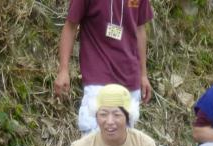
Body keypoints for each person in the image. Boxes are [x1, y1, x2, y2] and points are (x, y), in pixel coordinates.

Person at [53, 0, 154, 134]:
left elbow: (140, 29)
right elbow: (70, 26)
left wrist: (143, 75)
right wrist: (63, 70)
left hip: (130, 82)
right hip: (97, 81)